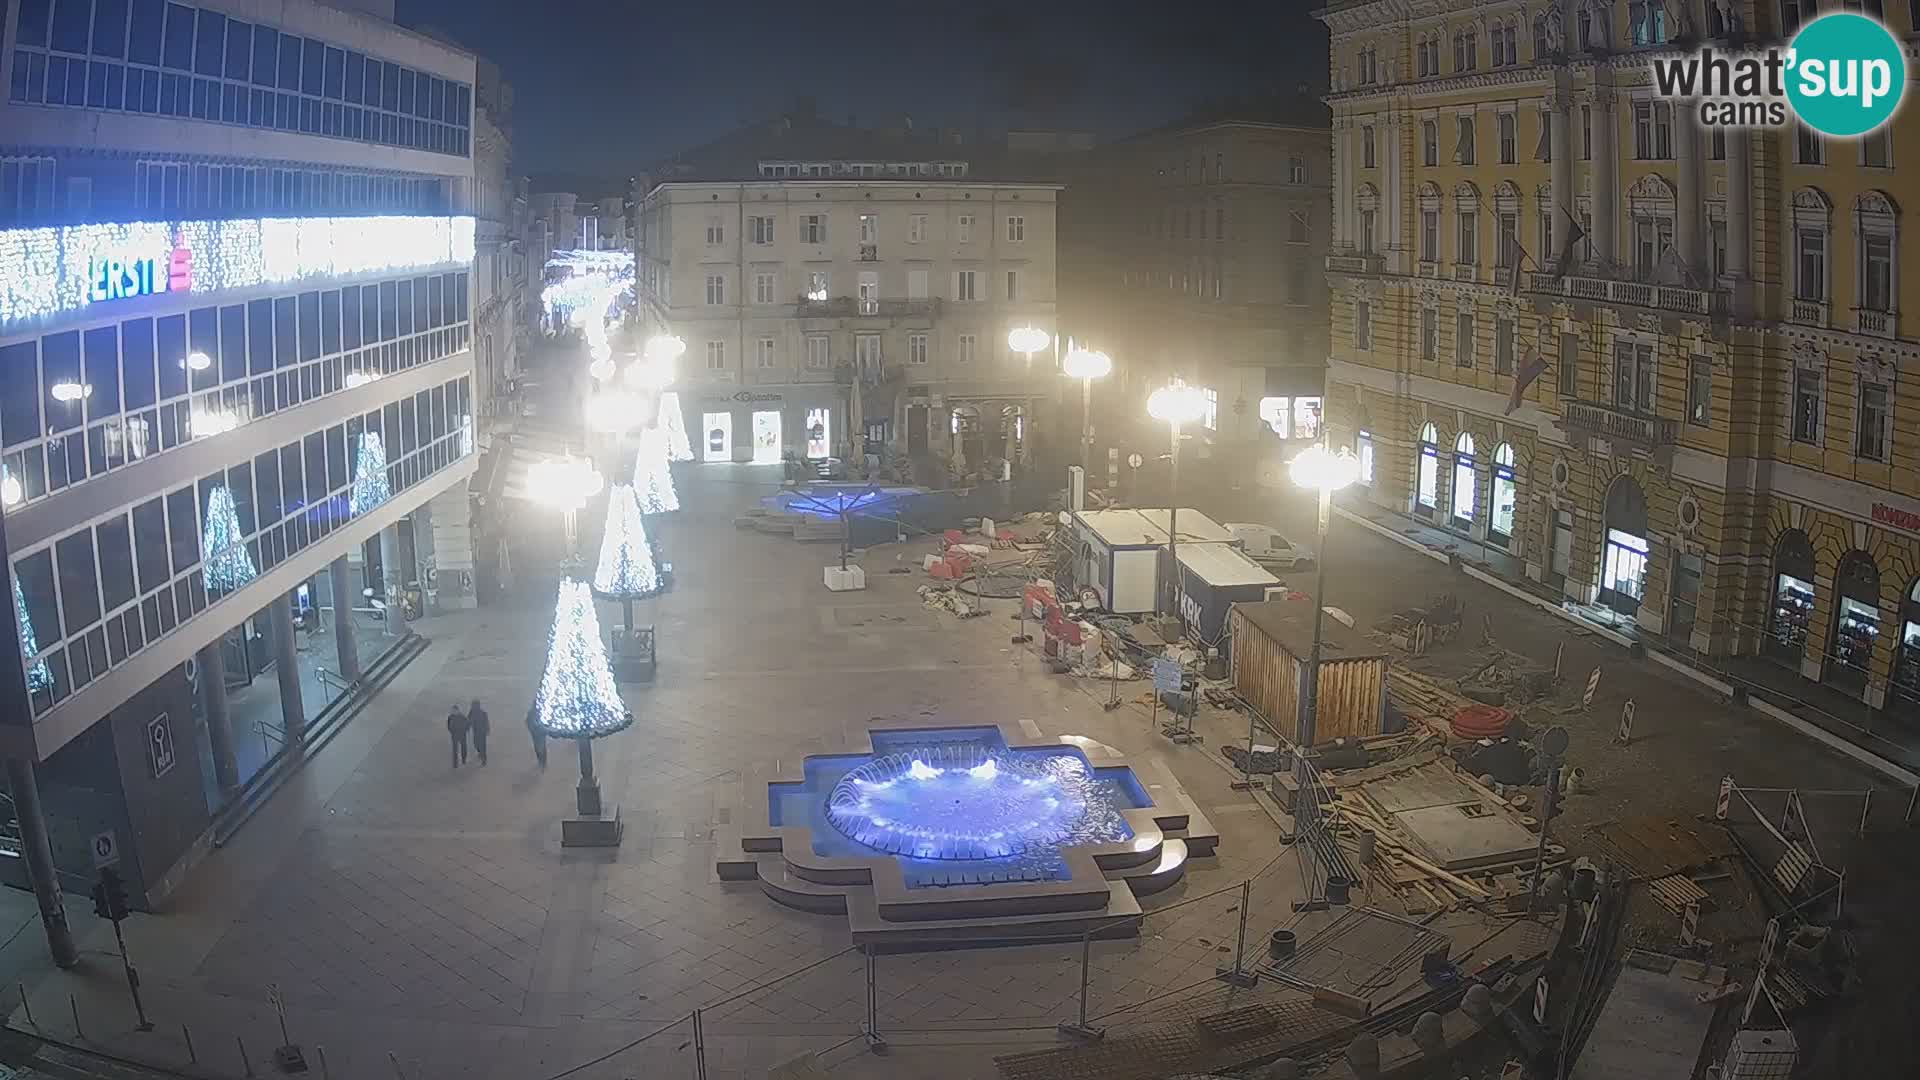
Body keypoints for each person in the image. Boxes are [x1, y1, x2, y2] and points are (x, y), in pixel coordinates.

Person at [468, 698, 491, 766]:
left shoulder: (483, 713)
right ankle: (480, 753)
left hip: (482, 731)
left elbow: (486, 722)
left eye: (474, 705)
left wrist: (487, 730)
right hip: (475, 731)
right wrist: (468, 727)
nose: (472, 706)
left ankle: (484, 760)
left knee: (483, 746)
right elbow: (468, 720)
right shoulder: (471, 712)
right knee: (476, 744)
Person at [446, 704, 470, 769]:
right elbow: (448, 726)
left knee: (463, 748)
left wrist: (466, 730)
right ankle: (455, 764)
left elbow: (468, 723)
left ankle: (463, 760)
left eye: (455, 710)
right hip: (455, 735)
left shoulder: (462, 716)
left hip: (462, 734)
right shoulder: (450, 717)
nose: (454, 711)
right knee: (455, 750)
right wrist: (452, 731)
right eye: (453, 710)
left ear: (458, 710)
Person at [526, 703, 548, 767]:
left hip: (537, 734)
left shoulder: (532, 714)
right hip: (537, 734)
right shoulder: (536, 714)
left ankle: (542, 762)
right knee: (540, 748)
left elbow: (528, 722)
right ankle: (542, 762)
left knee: (539, 748)